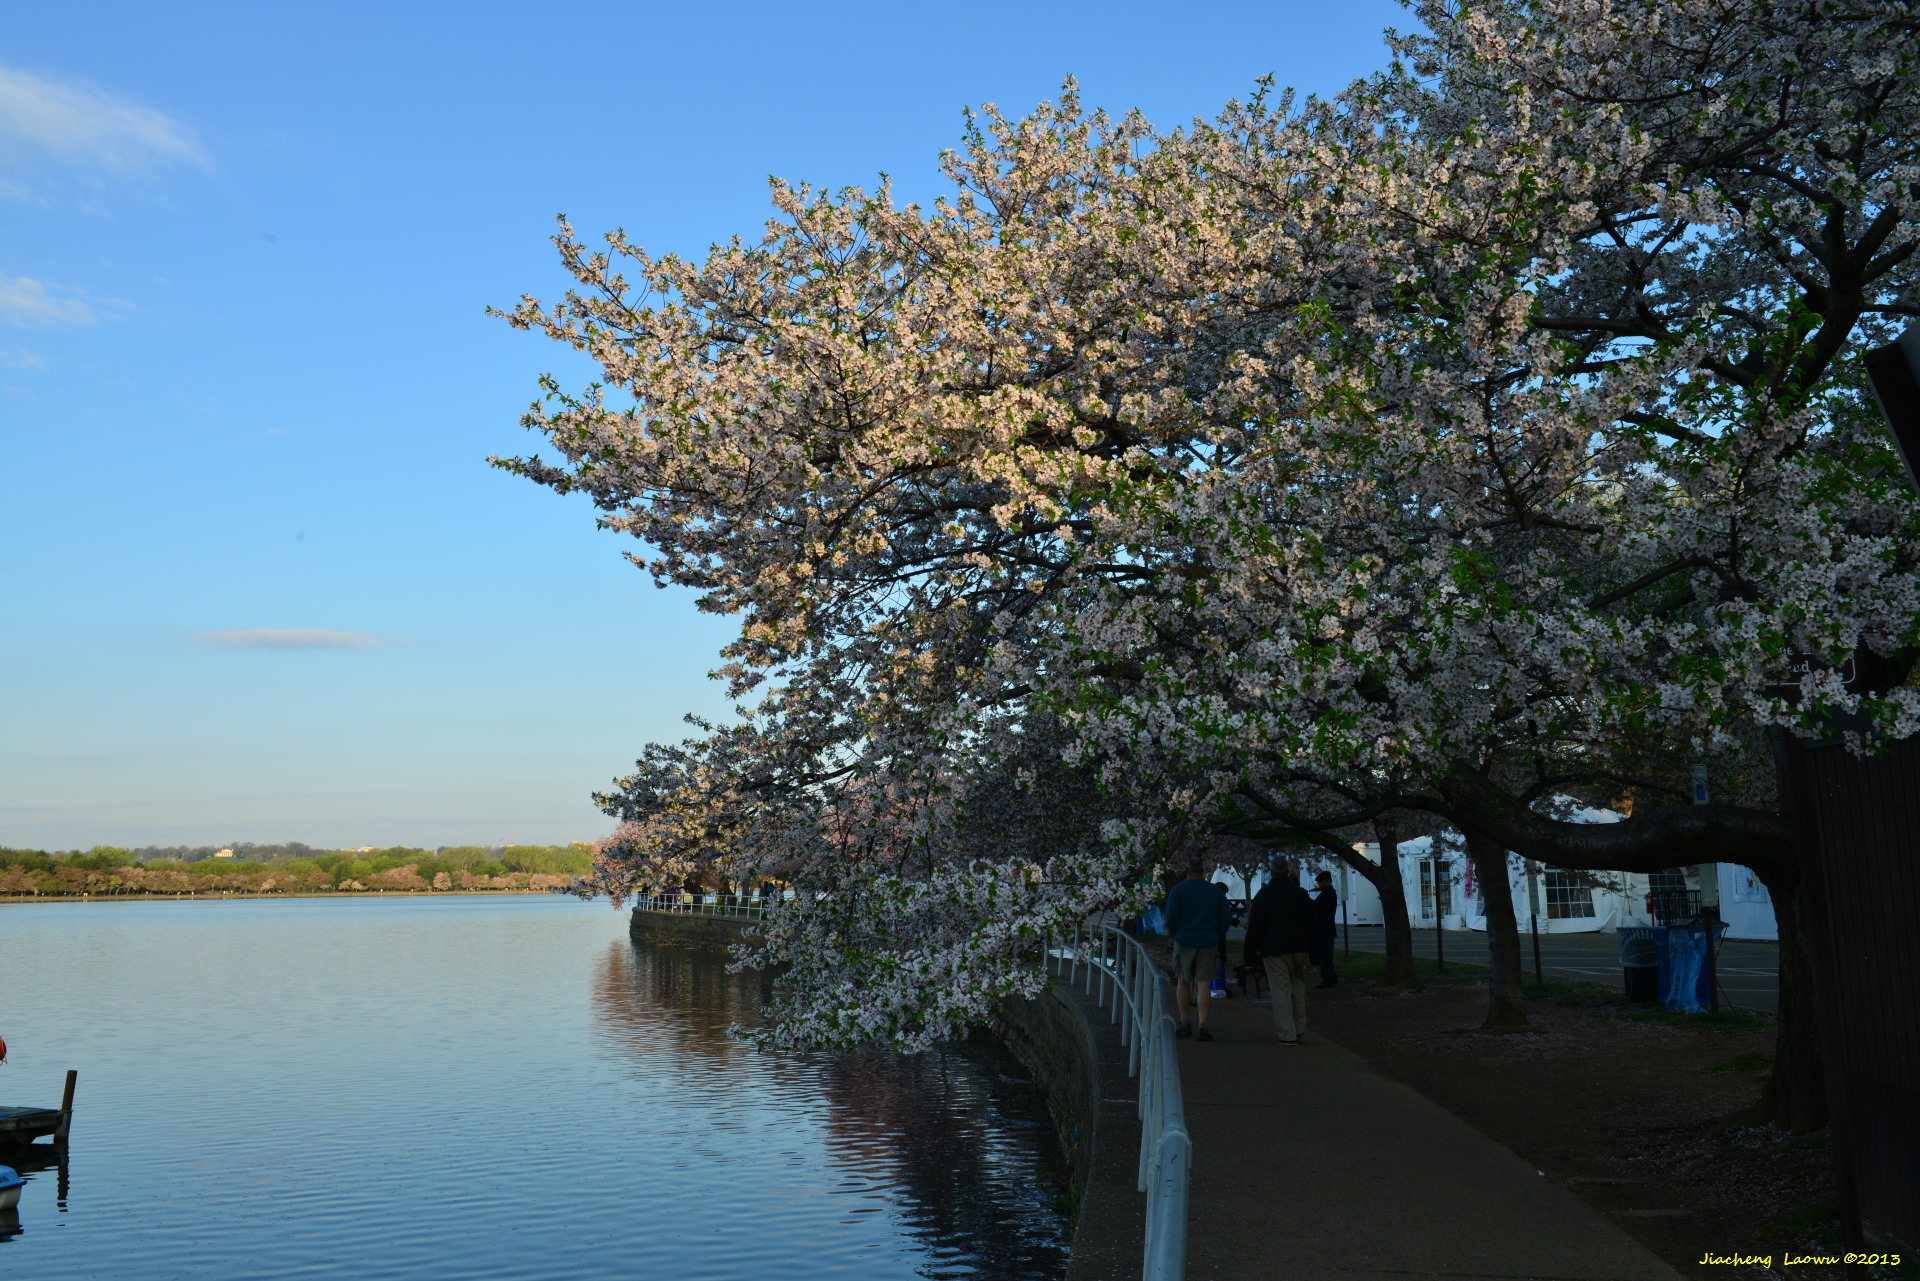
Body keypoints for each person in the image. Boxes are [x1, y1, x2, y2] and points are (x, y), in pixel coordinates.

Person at [1244, 857, 1317, 1043]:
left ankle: (1287, 1033)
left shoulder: (1264, 895)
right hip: (1299, 947)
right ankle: (1299, 1028)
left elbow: (1255, 926)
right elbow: (1311, 923)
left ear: (1271, 872)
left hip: (1273, 948)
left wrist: (1249, 954)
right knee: (1298, 988)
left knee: (1281, 991)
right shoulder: (1300, 894)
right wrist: (1315, 952)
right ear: (1287, 870)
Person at [1163, 856, 1231, 1041]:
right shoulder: (1214, 891)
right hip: (1208, 940)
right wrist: (1217, 934)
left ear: (1186, 870)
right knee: (1204, 982)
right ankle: (1203, 1025)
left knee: (1183, 980)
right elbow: (1225, 916)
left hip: (1184, 939)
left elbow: (1170, 919)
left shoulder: (1178, 891)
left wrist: (1175, 935)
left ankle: (1185, 1022)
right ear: (1203, 871)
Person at [1311, 869, 1340, 988]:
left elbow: (1315, 906)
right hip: (1327, 929)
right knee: (1327, 955)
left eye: (1320, 883)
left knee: (1325, 957)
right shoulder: (1329, 892)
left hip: (1324, 929)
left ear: (1326, 882)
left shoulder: (1327, 893)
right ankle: (1332, 977)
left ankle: (1327, 980)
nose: (1319, 885)